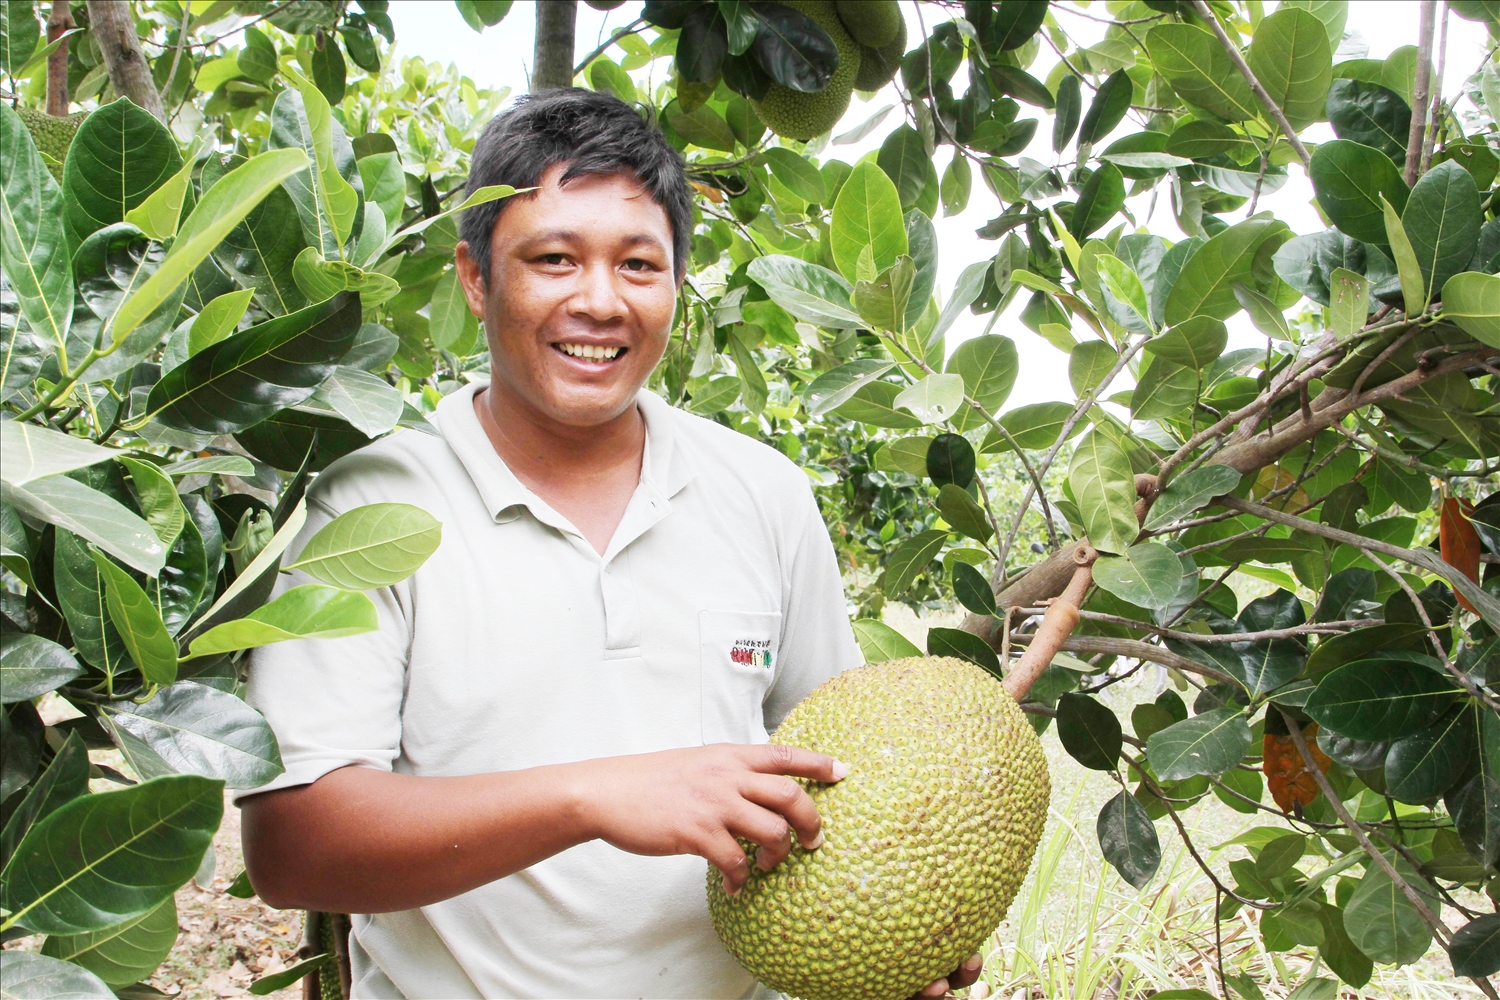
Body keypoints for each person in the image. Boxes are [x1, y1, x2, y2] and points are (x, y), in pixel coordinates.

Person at [239, 87, 982, 1000]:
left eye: (639, 265)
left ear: (675, 285)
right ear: (476, 278)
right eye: (552, 259)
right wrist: (595, 796)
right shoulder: (375, 508)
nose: (599, 302)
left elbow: (833, 785)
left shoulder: (765, 496)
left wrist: (903, 928)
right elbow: (295, 847)